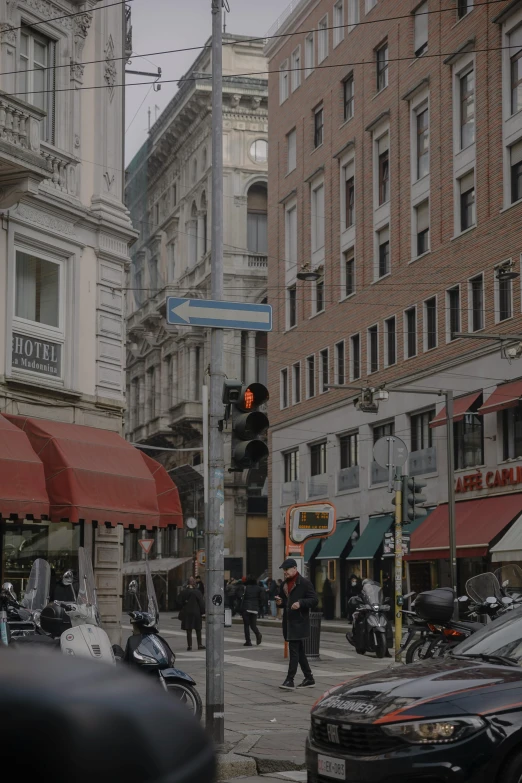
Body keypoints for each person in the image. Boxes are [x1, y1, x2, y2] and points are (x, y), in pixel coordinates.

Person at [276, 558, 318, 690]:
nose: (285, 573)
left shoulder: (304, 583)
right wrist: (280, 603)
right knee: (299, 652)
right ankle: (309, 678)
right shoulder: (284, 584)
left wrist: (300, 603)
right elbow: (285, 602)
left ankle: (290, 680)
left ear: (294, 568)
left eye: (287, 570)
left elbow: (314, 600)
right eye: (284, 570)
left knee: (294, 651)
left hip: (299, 622)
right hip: (288, 622)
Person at [179, 576, 206, 651]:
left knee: (188, 629)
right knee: (198, 629)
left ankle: (189, 646)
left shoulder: (184, 592)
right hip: (196, 612)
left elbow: (179, 602)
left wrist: (184, 604)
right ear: (194, 583)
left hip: (187, 612)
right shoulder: (197, 592)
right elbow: (201, 603)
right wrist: (203, 612)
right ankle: (199, 644)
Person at [240, 574, 264, 647]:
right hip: (255, 609)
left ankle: (248, 641)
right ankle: (258, 634)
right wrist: (258, 606)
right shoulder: (259, 588)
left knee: (246, 625)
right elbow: (262, 599)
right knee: (253, 625)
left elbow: (241, 597)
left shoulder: (245, 588)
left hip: (246, 608)